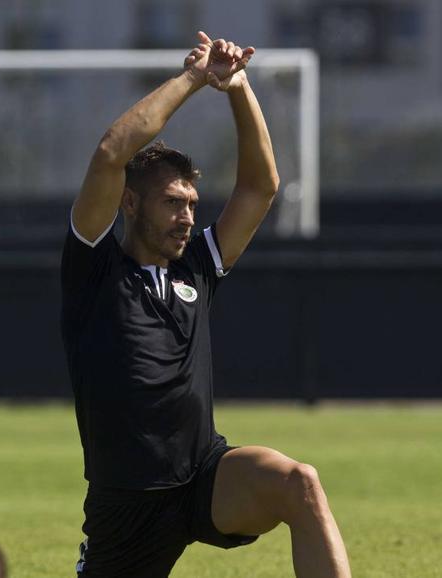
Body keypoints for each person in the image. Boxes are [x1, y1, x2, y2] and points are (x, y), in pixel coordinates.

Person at [61, 31, 352, 578]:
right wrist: (195, 78)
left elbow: (260, 187)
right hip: (126, 505)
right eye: (172, 203)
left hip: (204, 478)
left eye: (192, 203)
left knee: (300, 483)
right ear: (129, 203)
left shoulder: (196, 265)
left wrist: (237, 86)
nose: (188, 216)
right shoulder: (94, 271)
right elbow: (110, 152)